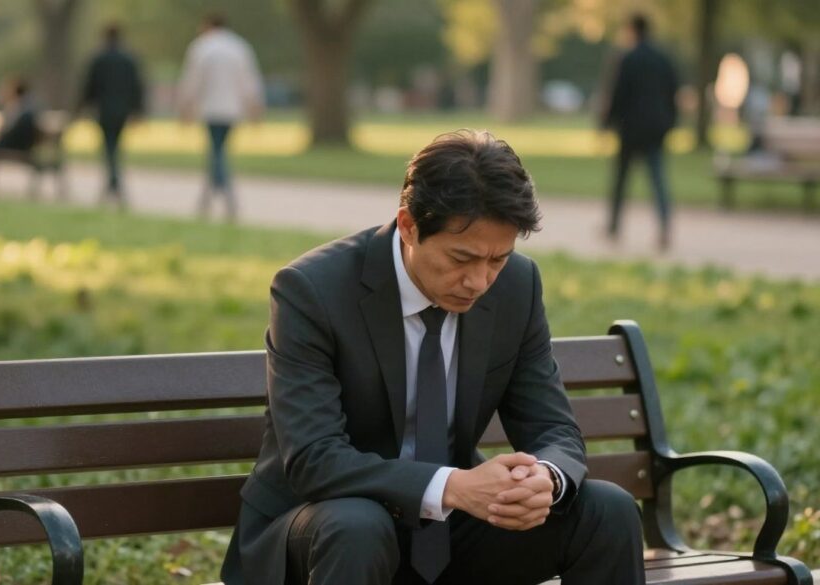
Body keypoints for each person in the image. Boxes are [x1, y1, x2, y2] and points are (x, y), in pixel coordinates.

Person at [220, 129, 645, 585]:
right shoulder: (312, 290)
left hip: (447, 534)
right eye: (461, 259)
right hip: (323, 529)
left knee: (607, 509)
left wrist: (546, 478)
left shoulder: (517, 287)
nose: (479, 282)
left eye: (497, 260)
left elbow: (553, 428)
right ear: (408, 225)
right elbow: (314, 459)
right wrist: (455, 486)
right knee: (357, 526)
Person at [602, 14, 679, 251]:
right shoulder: (662, 59)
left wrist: (607, 122)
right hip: (655, 128)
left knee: (622, 179)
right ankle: (665, 225)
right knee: (657, 179)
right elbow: (672, 92)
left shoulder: (628, 58)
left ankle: (614, 225)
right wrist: (669, 122)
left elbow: (618, 93)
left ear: (632, 30)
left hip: (631, 128)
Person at [176, 13, 264, 221]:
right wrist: (254, 106)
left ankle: (222, 195)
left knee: (216, 152)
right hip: (232, 110)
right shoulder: (239, 47)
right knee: (218, 151)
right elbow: (249, 79)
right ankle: (210, 197)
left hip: (211, 109)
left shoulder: (201, 47)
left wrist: (185, 106)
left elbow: (192, 80)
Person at [78, 23, 147, 204]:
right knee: (114, 146)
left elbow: (89, 86)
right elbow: (137, 87)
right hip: (123, 110)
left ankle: (113, 182)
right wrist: (138, 110)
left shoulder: (99, 59)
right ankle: (114, 184)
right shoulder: (129, 59)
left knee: (109, 147)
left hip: (104, 110)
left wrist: (82, 107)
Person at [0, 76, 38, 193]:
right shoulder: (27, 106)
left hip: (17, 146)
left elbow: (11, 132)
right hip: (21, 145)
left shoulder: (20, 109)